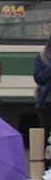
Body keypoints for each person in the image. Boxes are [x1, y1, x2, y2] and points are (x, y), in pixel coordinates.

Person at [34, 35, 51, 167]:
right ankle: (45, 165)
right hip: (46, 102)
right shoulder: (42, 57)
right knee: (46, 134)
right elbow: (38, 78)